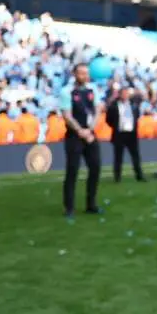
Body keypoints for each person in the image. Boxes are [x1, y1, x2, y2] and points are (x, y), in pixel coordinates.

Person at [59, 63, 102, 217]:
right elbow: (67, 115)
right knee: (72, 170)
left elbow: (97, 111)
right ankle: (69, 207)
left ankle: (91, 204)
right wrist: (80, 131)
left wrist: (90, 130)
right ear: (75, 74)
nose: (84, 76)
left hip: (90, 133)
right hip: (74, 135)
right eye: (81, 73)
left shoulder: (93, 89)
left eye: (86, 73)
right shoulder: (67, 92)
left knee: (95, 167)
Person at [106, 86, 146, 182]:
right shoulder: (114, 105)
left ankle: (139, 175)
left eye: (126, 93)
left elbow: (136, 116)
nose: (125, 95)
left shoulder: (133, 104)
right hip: (119, 133)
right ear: (119, 94)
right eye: (123, 93)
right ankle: (117, 177)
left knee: (135, 155)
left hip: (131, 133)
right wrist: (116, 126)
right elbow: (108, 119)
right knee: (118, 156)